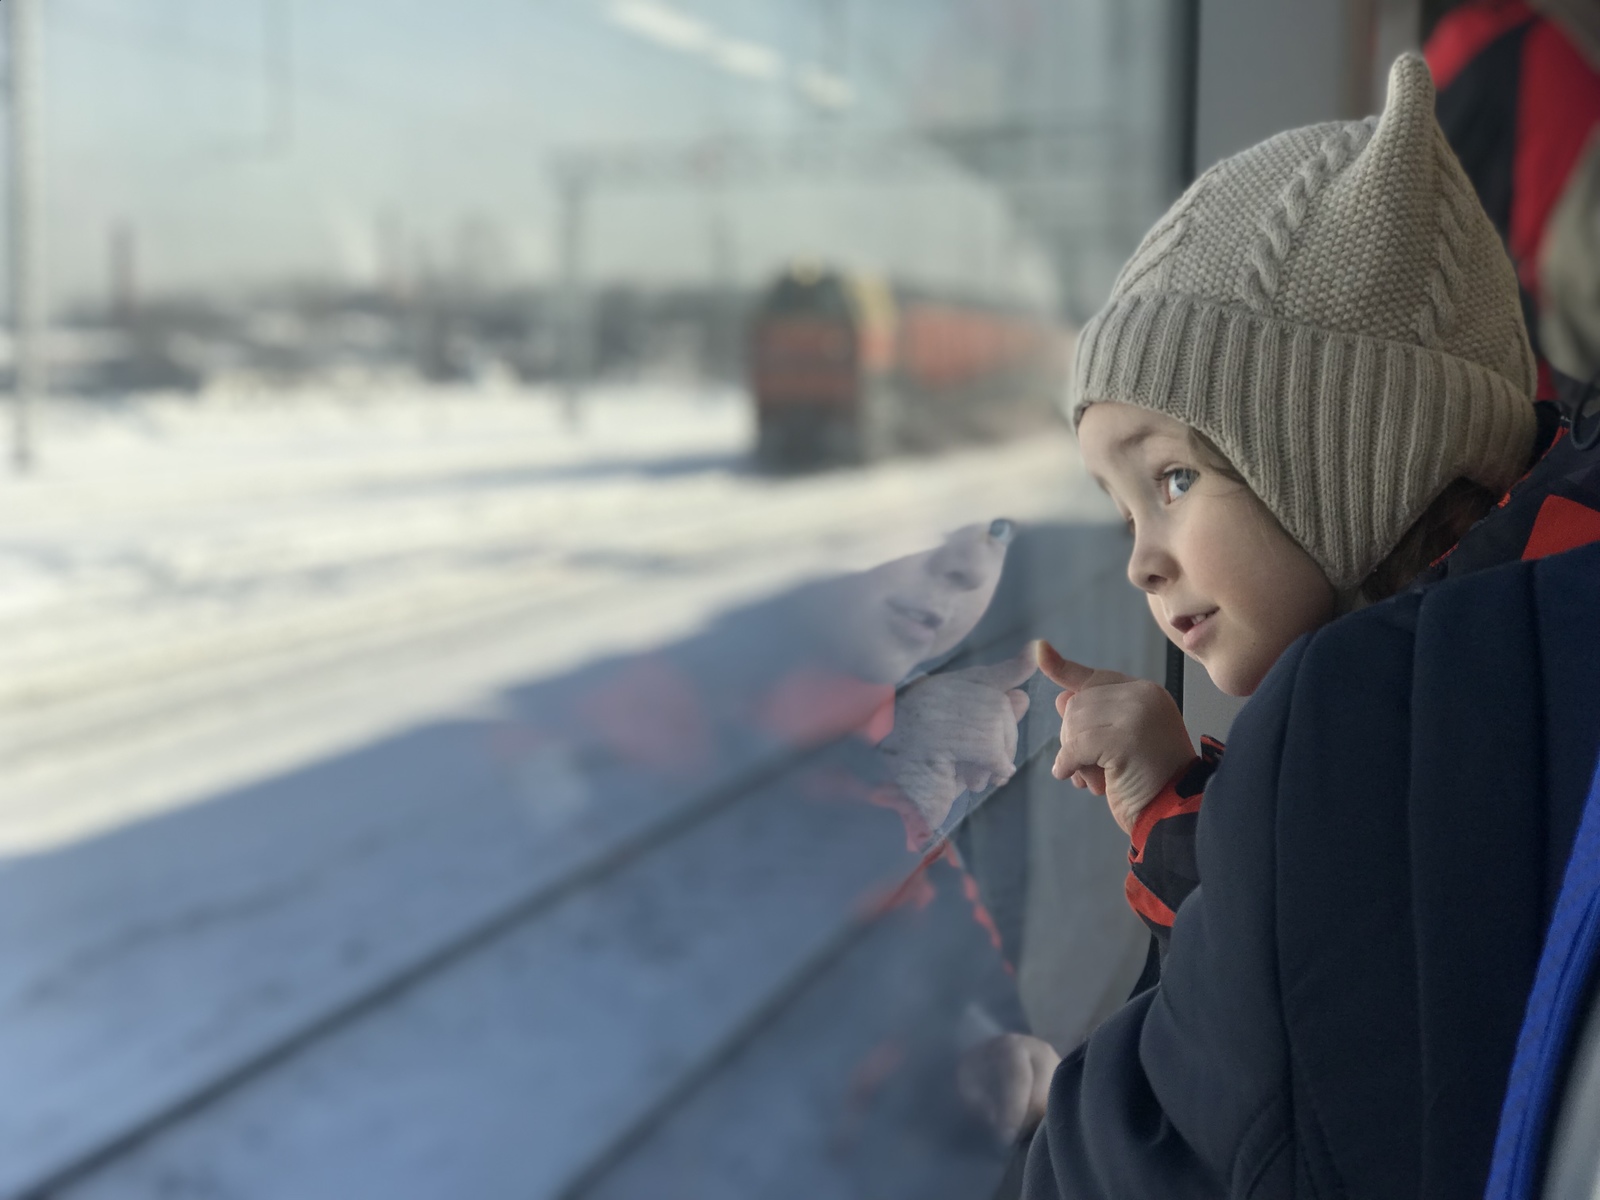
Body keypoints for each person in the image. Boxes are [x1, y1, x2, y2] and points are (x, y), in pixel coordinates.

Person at [1010, 53, 1600, 1198]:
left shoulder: (1367, 724)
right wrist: (1175, 798)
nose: (1140, 557)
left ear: (1358, 455)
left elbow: (1166, 1148)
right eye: (1122, 505)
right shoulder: (1528, 630)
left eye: (1174, 478)